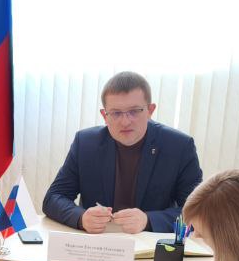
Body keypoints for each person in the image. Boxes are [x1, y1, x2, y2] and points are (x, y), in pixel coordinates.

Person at [43, 71, 203, 234]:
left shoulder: (179, 146)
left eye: (134, 111)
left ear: (150, 110)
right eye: (116, 113)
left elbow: (199, 212)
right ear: (105, 115)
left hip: (150, 242)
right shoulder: (85, 143)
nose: (125, 122)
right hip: (97, 242)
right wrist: (81, 217)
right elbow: (53, 198)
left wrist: (148, 220)